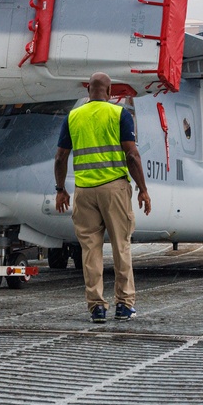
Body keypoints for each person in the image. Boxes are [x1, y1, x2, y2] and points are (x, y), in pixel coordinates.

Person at [53, 72, 151, 323]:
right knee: (121, 246)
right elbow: (132, 155)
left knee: (90, 250)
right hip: (114, 190)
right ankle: (124, 305)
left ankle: (96, 307)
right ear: (109, 92)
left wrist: (60, 189)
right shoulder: (119, 114)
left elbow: (60, 158)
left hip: (84, 192)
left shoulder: (73, 116)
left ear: (88, 90)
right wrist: (143, 189)